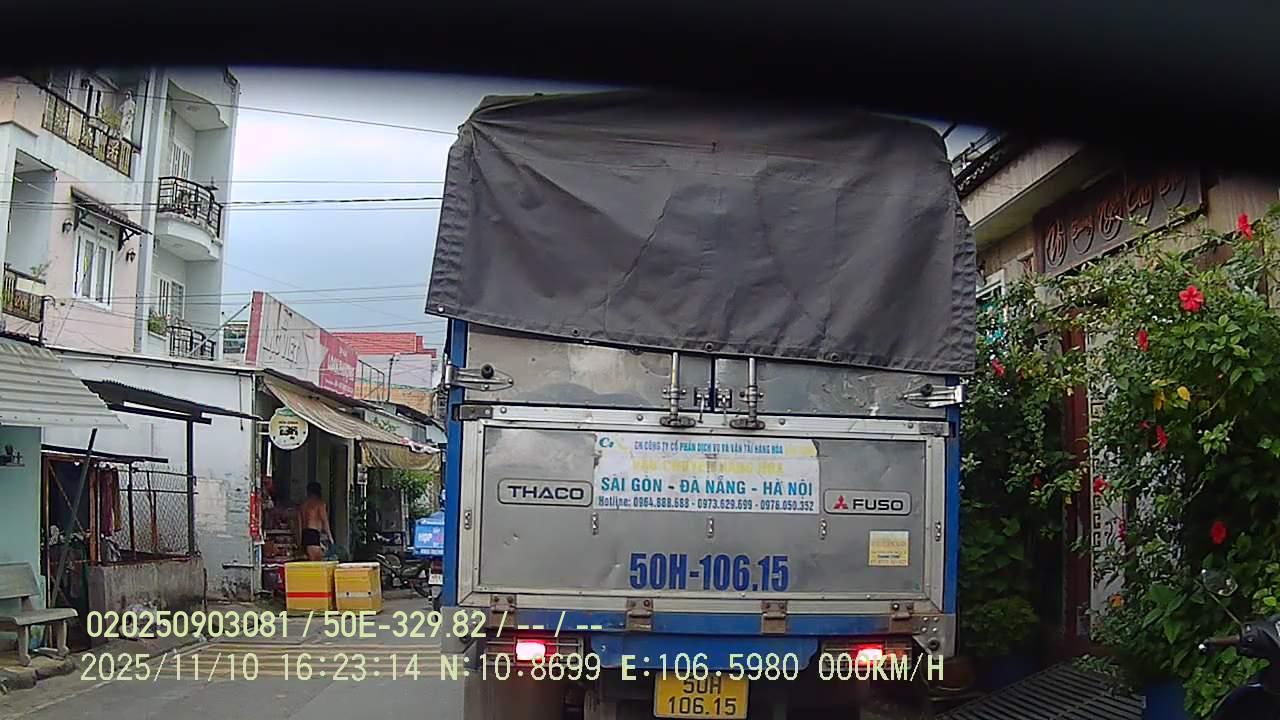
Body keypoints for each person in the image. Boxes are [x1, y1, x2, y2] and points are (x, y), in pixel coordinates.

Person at [299, 482, 331, 561]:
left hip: (304, 534)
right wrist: (330, 538)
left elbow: (300, 523)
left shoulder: (303, 505)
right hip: (313, 534)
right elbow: (325, 521)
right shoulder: (320, 504)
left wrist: (299, 540)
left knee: (308, 563)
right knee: (317, 563)